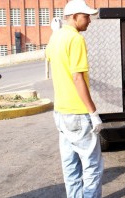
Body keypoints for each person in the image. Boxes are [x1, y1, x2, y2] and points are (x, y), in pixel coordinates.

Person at [45, 0, 104, 197]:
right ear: (73, 17)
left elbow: (49, 58)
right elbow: (78, 77)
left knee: (70, 165)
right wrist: (93, 112)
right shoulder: (76, 39)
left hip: (61, 112)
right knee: (92, 166)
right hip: (78, 113)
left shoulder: (56, 37)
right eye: (86, 16)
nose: (89, 21)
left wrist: (55, 32)